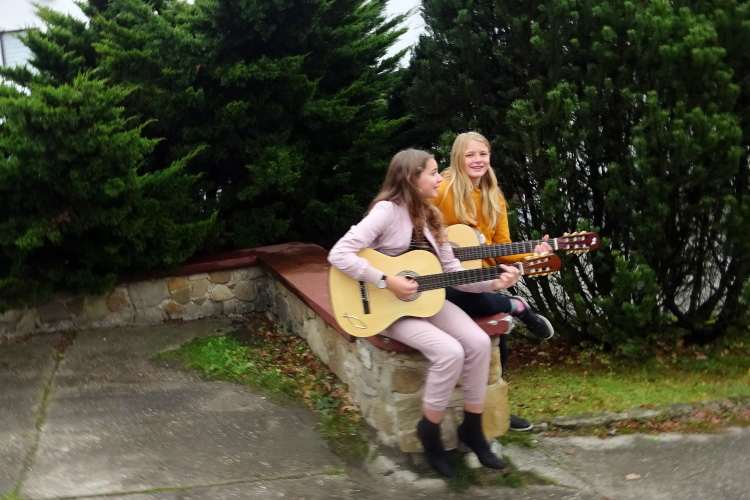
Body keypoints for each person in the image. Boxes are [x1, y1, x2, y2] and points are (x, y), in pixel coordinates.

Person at [328, 148, 520, 478]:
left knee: (477, 343)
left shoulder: (432, 216)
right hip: (388, 309)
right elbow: (339, 253)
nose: (439, 178)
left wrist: (495, 281)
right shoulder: (387, 212)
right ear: (410, 178)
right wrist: (386, 280)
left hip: (427, 301)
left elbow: (454, 272)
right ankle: (429, 431)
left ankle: (472, 428)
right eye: (432, 173)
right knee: (449, 352)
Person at [430, 131, 554, 433]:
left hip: (482, 279)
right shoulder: (441, 191)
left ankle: (499, 412)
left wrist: (533, 254)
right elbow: (420, 230)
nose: (478, 160)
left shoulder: (494, 197)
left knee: (498, 343)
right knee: (459, 294)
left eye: (483, 154)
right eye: (470, 155)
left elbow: (502, 248)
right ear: (457, 158)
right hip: (439, 280)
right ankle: (515, 306)